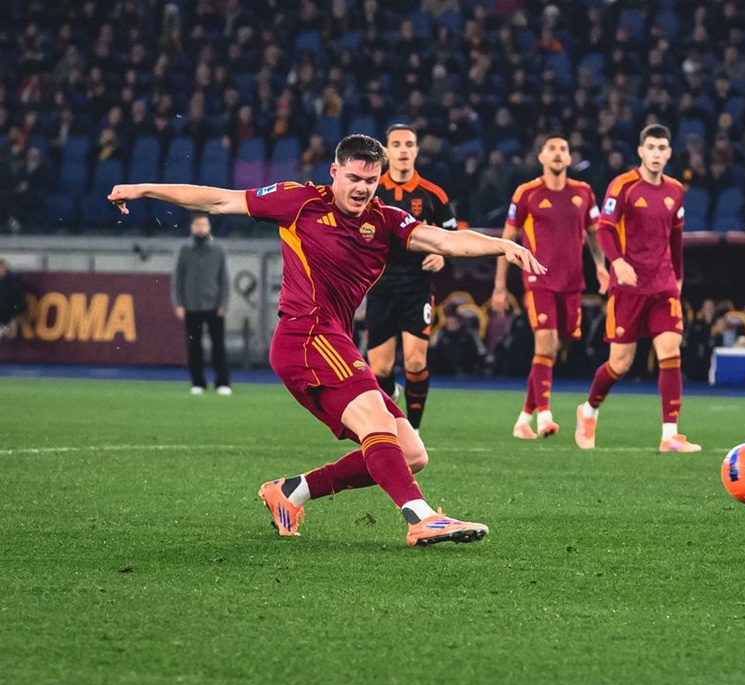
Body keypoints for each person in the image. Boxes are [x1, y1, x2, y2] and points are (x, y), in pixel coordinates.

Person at [107, 133, 545, 546]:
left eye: (371, 180)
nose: (362, 189)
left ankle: (291, 492)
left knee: (412, 453)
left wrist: (502, 246)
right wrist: (144, 189)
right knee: (376, 421)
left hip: (335, 340)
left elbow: (444, 240)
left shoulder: (386, 221)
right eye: (353, 178)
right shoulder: (300, 201)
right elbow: (220, 199)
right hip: (305, 333)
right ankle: (421, 518)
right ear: (334, 172)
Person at [575, 124, 700, 453]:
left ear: (669, 153)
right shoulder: (623, 186)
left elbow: (676, 238)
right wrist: (616, 262)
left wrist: (678, 278)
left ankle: (670, 435)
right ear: (641, 151)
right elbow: (604, 229)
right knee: (620, 363)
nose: (656, 154)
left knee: (670, 352)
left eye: (662, 148)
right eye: (651, 148)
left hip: (663, 284)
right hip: (629, 286)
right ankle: (588, 411)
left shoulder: (675, 190)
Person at [490, 134, 607, 439]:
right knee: (545, 344)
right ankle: (545, 416)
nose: (557, 153)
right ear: (541, 157)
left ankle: (523, 418)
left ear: (569, 158)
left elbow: (594, 234)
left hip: (571, 282)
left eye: (563, 149)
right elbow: (507, 239)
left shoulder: (584, 193)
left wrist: (601, 266)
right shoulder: (527, 193)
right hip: (538, 279)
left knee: (554, 347)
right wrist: (500, 286)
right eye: (551, 149)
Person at [365, 124, 458, 435]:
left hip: (417, 287)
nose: (403, 150)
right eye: (397, 144)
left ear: (417, 150)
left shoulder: (433, 194)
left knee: (416, 362)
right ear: (386, 151)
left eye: (409, 144)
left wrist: (442, 255)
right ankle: (392, 395)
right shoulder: (372, 190)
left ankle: (413, 431)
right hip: (379, 287)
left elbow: (452, 235)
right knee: (379, 368)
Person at [172, 215, 231, 395]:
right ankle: (198, 382)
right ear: (192, 227)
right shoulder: (184, 249)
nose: (201, 227)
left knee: (218, 346)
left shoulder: (218, 249)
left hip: (214, 305)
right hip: (191, 305)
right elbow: (177, 279)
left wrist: (224, 303)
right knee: (194, 346)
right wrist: (178, 303)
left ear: (209, 226)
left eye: (204, 224)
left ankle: (222, 382)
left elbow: (224, 279)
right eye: (198, 224)